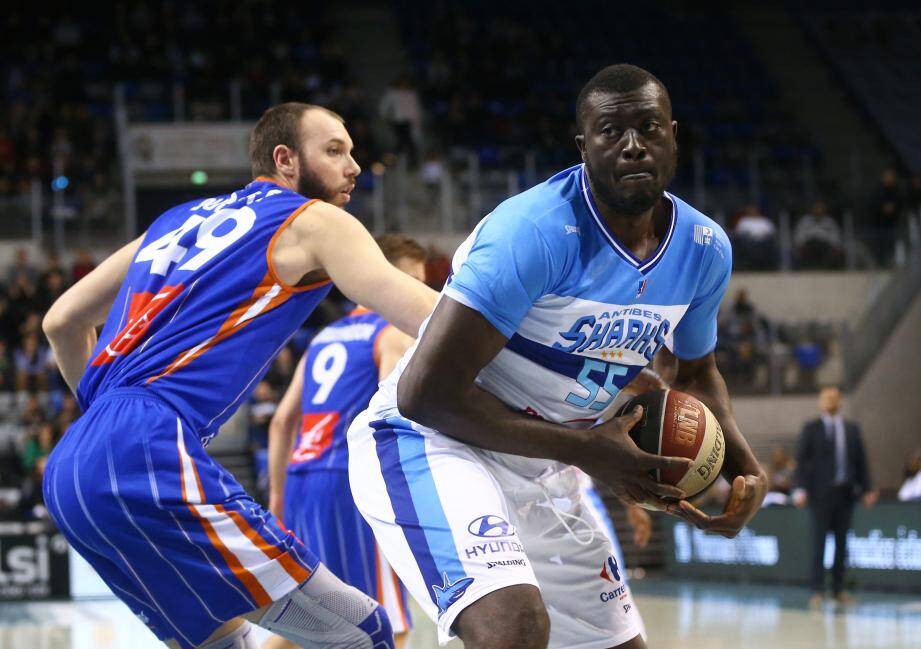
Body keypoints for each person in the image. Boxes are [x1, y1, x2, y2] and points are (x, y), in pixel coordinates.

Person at [347, 64, 766, 649]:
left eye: (648, 128)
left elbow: (694, 373)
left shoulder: (703, 249)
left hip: (541, 461)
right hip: (430, 442)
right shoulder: (534, 231)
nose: (631, 146)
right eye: (611, 132)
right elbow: (426, 395)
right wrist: (588, 452)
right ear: (583, 146)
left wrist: (741, 465)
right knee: (513, 628)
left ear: (674, 135)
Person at [40, 102, 437, 649]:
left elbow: (61, 320)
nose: (355, 167)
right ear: (286, 160)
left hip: (71, 468)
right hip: (146, 446)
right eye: (335, 151)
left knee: (228, 645)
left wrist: (108, 423)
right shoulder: (312, 219)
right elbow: (426, 314)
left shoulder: (174, 220)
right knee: (362, 631)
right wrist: (533, 341)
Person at [263, 234, 428, 649]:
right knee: (386, 618)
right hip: (349, 484)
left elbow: (282, 422)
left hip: (301, 481)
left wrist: (278, 495)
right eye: (412, 281)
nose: (421, 293)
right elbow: (393, 417)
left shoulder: (322, 337)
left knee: (310, 617)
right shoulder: (391, 333)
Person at [793, 385, 874, 608]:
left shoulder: (851, 429)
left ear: (840, 401)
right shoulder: (812, 428)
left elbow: (861, 461)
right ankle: (817, 589)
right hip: (820, 495)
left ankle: (838, 589)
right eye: (826, 397)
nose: (830, 400)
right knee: (819, 543)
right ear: (820, 401)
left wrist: (867, 489)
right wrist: (799, 489)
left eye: (834, 397)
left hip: (845, 494)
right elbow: (801, 461)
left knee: (842, 544)